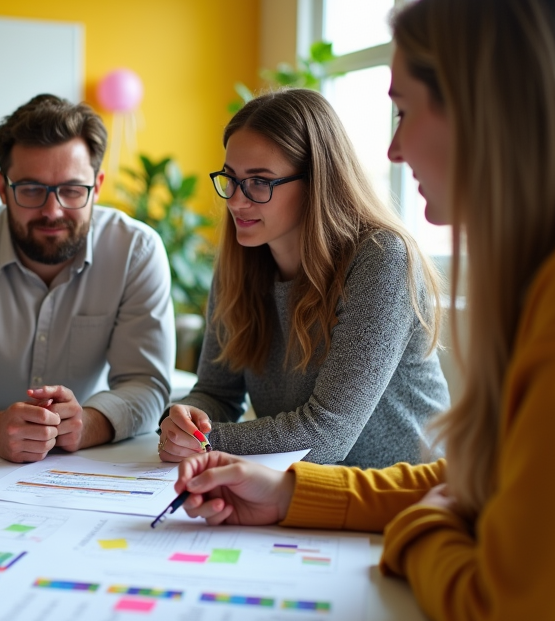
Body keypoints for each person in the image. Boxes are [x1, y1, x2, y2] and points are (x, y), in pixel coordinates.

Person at [174, 0, 555, 621]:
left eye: (405, 110)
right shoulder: (543, 281)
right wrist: (290, 493)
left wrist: (421, 526)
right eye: (233, 181)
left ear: (485, 108)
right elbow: (474, 481)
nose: (393, 148)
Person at [159, 88, 449, 468]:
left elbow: (325, 437)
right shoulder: (241, 260)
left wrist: (205, 440)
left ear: (317, 182)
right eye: (230, 178)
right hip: (303, 494)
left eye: (259, 181)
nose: (235, 200)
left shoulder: (382, 259)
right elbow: (217, 392)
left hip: (404, 498)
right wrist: (186, 420)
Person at [0, 94, 175, 462]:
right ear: (2, 188)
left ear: (97, 186)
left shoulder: (135, 251)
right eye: (31, 190)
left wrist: (86, 424)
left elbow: (146, 385)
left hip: (79, 467)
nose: (52, 211)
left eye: (72, 190)